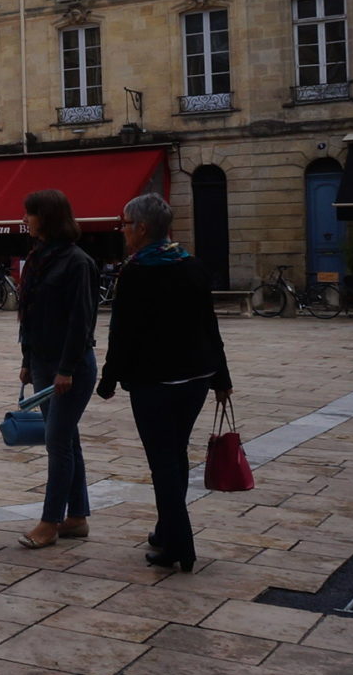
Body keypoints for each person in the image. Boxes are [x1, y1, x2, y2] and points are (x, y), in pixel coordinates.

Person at [98, 193, 232, 572]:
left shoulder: (136, 272)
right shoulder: (189, 265)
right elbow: (210, 324)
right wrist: (221, 376)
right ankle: (165, 527)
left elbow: (121, 333)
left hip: (154, 380)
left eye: (124, 224)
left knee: (163, 462)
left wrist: (108, 379)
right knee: (175, 454)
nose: (122, 230)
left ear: (141, 228)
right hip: (195, 377)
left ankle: (179, 545)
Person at [17, 188, 100, 550]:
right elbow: (30, 316)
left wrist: (65, 369)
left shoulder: (76, 262)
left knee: (57, 442)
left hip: (70, 367)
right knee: (68, 439)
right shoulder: (38, 258)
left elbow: (81, 322)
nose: (24, 219)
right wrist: (26, 362)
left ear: (47, 218)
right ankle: (77, 517)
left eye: (30, 214)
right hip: (42, 361)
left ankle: (50, 522)